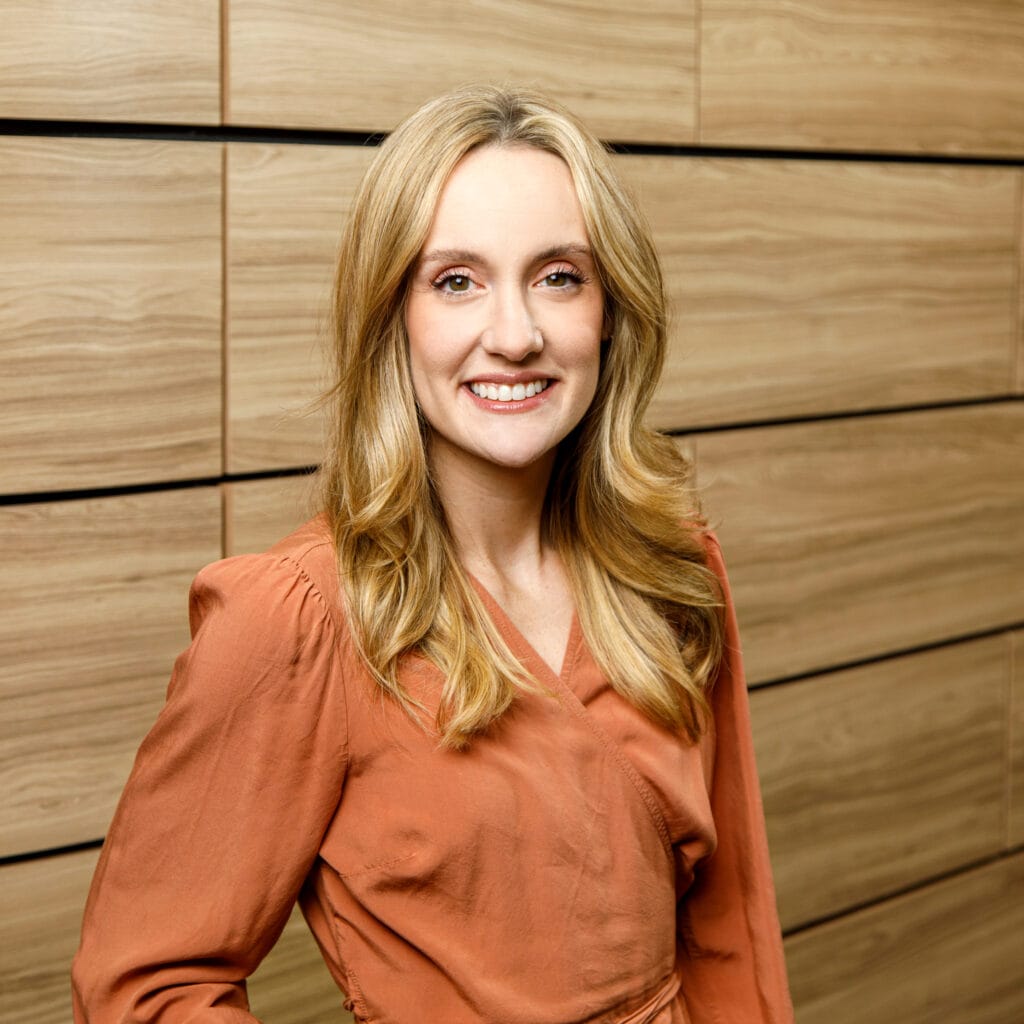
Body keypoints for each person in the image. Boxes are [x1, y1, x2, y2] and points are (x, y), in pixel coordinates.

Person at [72, 85, 794, 1023]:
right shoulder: (298, 620)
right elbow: (144, 986)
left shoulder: (671, 567)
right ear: (393, 317)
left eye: (559, 277)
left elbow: (731, 933)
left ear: (611, 309)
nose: (516, 335)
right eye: (456, 281)